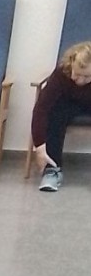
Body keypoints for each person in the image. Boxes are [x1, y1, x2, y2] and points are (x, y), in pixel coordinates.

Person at [31, 40, 91, 192]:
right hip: (68, 103)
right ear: (71, 65)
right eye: (77, 75)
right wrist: (39, 147)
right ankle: (52, 170)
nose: (81, 80)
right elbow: (41, 109)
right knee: (55, 113)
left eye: (87, 76)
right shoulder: (62, 73)